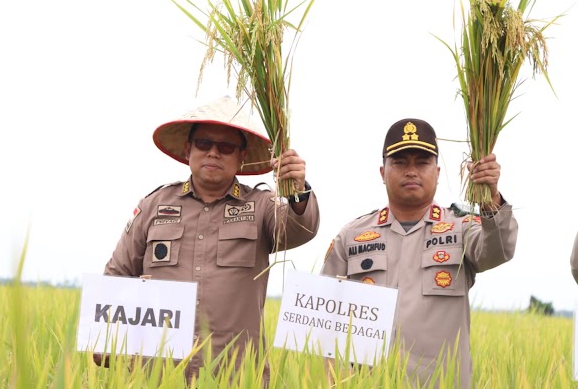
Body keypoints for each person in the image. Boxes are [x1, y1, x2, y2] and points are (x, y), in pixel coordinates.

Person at [94, 96, 320, 382]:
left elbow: (302, 229)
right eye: (204, 144)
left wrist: (297, 190)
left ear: (241, 157)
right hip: (160, 375)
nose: (214, 153)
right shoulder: (154, 205)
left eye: (226, 147)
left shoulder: (261, 205)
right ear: (189, 149)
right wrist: (104, 337)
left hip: (236, 376)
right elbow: (118, 274)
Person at [320, 118, 517, 388]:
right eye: (400, 162)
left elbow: (499, 250)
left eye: (422, 162)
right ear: (382, 172)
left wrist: (491, 200)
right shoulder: (351, 236)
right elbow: (322, 324)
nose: (411, 171)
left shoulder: (462, 228)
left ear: (437, 172)